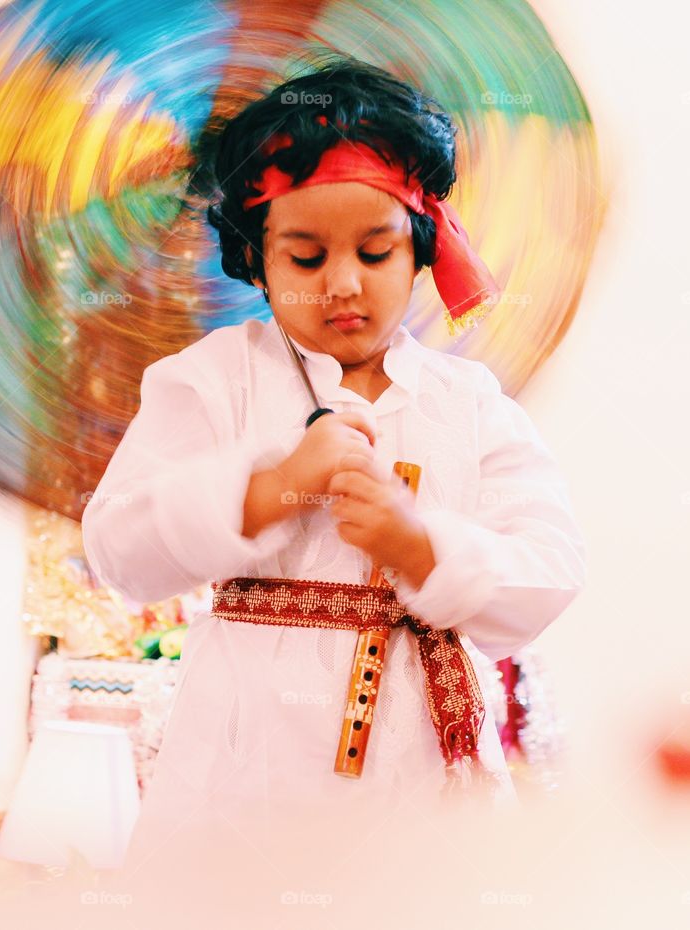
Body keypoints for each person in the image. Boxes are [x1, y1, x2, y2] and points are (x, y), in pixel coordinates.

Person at [82, 55, 586, 878]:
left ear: (421, 249)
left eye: (376, 251)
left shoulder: (469, 400)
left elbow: (553, 564)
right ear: (258, 260)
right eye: (307, 259)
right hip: (245, 774)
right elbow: (118, 549)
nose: (343, 285)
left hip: (423, 770)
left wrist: (420, 545)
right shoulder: (211, 379)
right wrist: (270, 489)